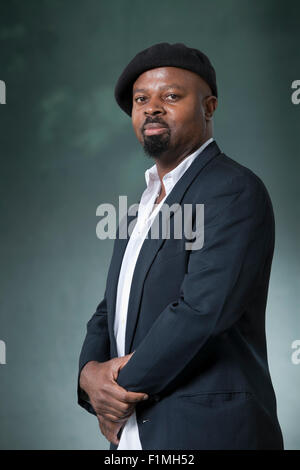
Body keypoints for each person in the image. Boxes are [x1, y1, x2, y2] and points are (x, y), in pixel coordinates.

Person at [77, 42, 284, 450]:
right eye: (141, 99)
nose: (152, 107)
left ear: (208, 107)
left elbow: (201, 312)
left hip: (209, 430)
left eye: (171, 96)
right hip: (135, 434)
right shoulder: (139, 207)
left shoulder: (233, 190)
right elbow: (109, 306)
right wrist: (87, 376)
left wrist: (114, 394)